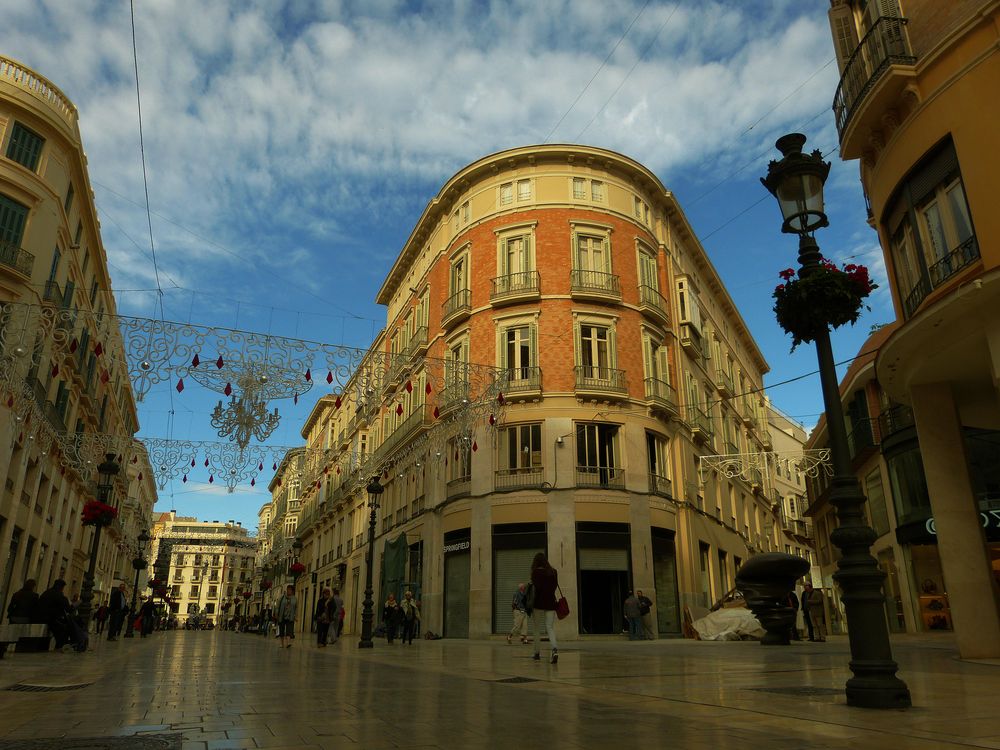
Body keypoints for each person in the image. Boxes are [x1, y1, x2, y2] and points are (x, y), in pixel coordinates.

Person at [529, 552, 560, 664]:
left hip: (538, 603)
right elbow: (555, 586)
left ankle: (537, 653)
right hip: (551, 602)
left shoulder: (535, 572)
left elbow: (536, 588)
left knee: (536, 629)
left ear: (536, 561)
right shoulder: (553, 572)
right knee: (550, 627)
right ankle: (554, 649)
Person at [38, 579, 84, 651]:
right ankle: (61, 645)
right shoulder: (59, 595)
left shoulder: (46, 593)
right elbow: (68, 609)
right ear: (61, 587)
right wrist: (78, 603)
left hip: (40, 617)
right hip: (51, 619)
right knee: (65, 628)